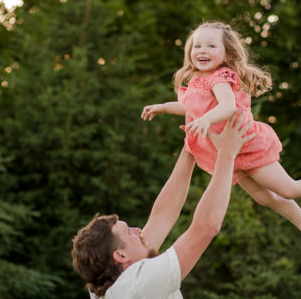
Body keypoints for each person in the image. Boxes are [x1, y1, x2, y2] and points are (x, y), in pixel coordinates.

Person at [141, 20, 301, 263]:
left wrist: (206, 120)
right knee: (264, 197)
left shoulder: (220, 77)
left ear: (226, 53)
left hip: (245, 145)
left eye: (211, 46)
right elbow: (188, 106)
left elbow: (227, 106)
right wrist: (163, 107)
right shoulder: (197, 80)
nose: (202, 51)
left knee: (287, 188)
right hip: (228, 153)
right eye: (197, 46)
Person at [72, 113, 256, 298]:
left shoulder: (107, 285)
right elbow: (206, 227)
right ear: (120, 256)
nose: (138, 230)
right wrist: (227, 153)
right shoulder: (137, 287)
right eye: (129, 231)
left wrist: (191, 145)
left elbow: (163, 217)